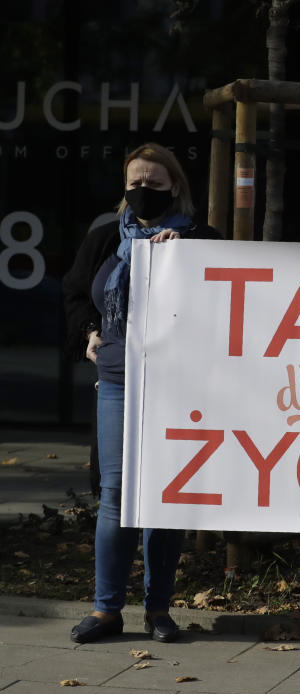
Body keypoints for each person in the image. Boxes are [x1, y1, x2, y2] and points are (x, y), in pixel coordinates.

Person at [62, 143, 223, 644]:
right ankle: (106, 610)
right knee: (116, 497)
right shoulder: (106, 237)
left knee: (163, 499)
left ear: (175, 187)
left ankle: (158, 611)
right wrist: (89, 332)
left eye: (154, 184)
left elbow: (226, 305)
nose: (143, 192)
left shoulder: (203, 239)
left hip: (180, 383)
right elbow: (74, 291)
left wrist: (186, 260)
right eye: (135, 183)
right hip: (116, 380)